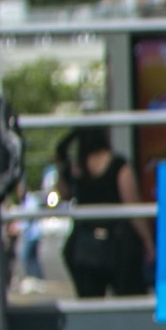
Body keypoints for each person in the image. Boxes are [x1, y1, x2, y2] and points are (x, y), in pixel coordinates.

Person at [57, 127, 152, 298]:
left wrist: (61, 163)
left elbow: (63, 194)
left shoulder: (77, 168)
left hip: (84, 245)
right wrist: (148, 243)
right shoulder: (118, 166)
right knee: (131, 302)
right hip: (118, 244)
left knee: (91, 306)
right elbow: (133, 207)